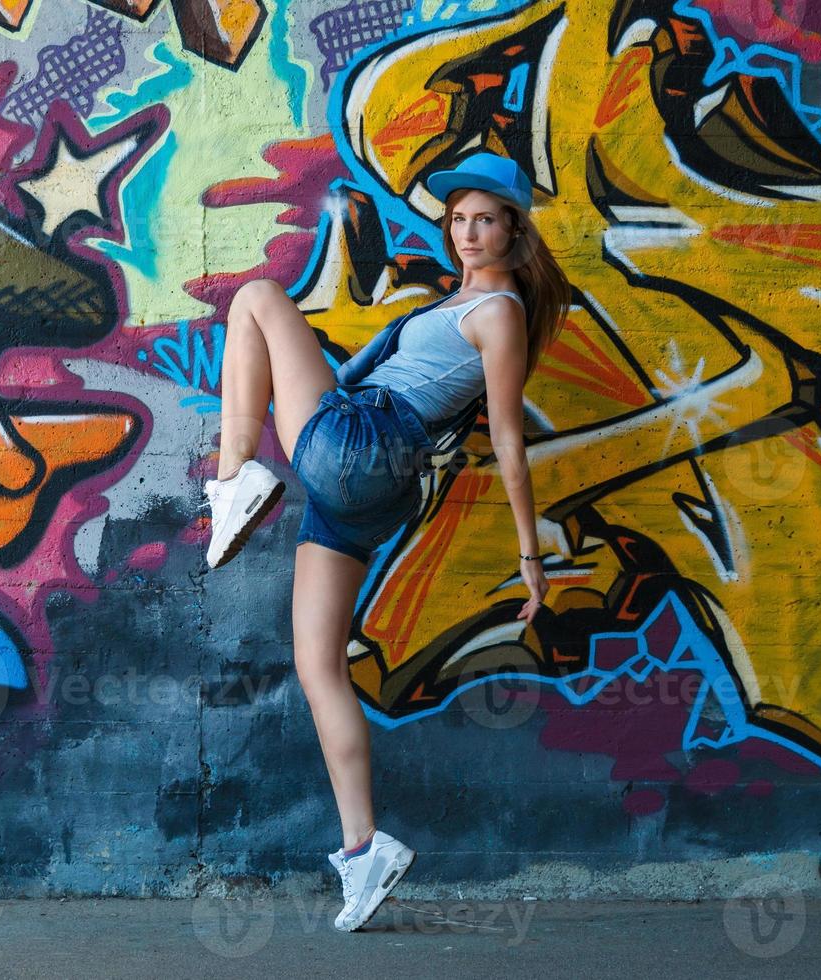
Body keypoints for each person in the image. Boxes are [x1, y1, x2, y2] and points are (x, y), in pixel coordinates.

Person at [200, 151, 571, 931]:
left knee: (261, 298)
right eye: (460, 218)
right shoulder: (462, 301)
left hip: (364, 445)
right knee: (318, 666)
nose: (468, 232)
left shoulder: (498, 312)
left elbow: (507, 438)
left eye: (486, 220)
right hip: (367, 488)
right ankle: (363, 850)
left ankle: (233, 478)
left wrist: (530, 556)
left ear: (513, 231)